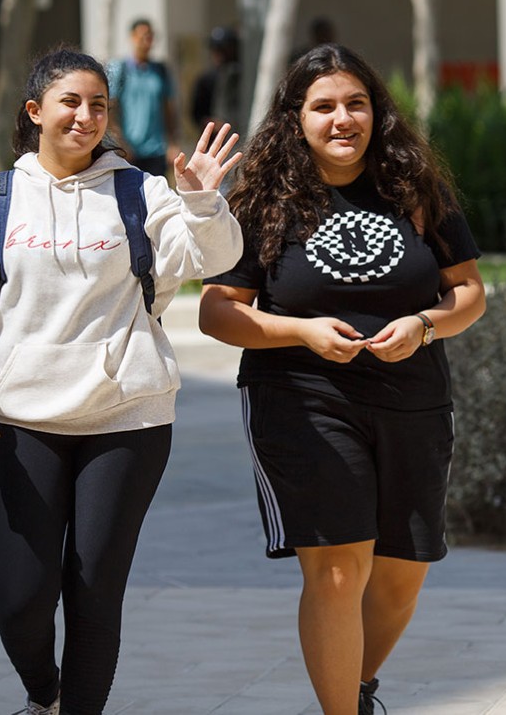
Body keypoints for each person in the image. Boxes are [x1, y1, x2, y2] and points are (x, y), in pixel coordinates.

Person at [0, 47, 243, 715]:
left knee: (94, 585)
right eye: (71, 101)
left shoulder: (139, 190)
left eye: (98, 104)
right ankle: (43, 695)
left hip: (127, 416)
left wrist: (202, 201)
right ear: (36, 110)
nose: (86, 115)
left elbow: (216, 257)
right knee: (19, 596)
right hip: (22, 419)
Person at [198, 43, 486, 714]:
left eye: (355, 103)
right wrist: (303, 331)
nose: (342, 119)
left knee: (399, 580)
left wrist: (423, 326)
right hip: (302, 398)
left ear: (375, 110)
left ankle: (355, 689)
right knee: (334, 568)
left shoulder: (415, 187)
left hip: (413, 397)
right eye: (323, 106)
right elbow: (217, 310)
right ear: (296, 117)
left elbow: (468, 291)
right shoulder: (265, 199)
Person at [108, 18, 180, 177]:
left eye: (150, 36)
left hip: (156, 150)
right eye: (143, 36)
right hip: (130, 151)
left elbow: (168, 108)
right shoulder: (120, 69)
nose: (147, 41)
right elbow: (110, 109)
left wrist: (172, 143)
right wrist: (120, 142)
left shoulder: (160, 70)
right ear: (132, 37)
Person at [190, 26, 242, 131]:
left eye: (223, 49)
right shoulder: (206, 80)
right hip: (215, 140)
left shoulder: (243, 78)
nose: (219, 54)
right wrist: (212, 123)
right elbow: (197, 114)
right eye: (216, 49)